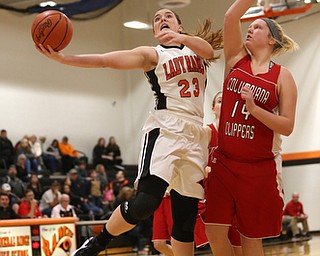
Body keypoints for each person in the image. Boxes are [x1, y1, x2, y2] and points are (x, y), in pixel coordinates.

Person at [37, 7, 223, 256]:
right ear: (156, 32)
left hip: (195, 135)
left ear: (179, 26)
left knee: (186, 218)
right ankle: (96, 244)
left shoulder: (196, 49)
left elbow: (209, 51)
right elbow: (105, 60)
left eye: (168, 16)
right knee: (145, 203)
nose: (161, 20)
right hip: (166, 129)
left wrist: (183, 39)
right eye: (157, 19)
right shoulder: (151, 54)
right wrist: (65, 59)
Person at [202, 0, 298, 255]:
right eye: (251, 26)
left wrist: (255, 109)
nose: (250, 29)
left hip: (257, 168)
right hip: (224, 161)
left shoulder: (282, 76)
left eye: (257, 27)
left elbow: (287, 126)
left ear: (271, 40)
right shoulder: (236, 58)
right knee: (213, 228)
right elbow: (231, 16)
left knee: (250, 238)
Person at [203, 92, 242, 255]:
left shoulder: (238, 134)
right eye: (220, 101)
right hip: (214, 194)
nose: (224, 104)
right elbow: (200, 165)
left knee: (239, 244)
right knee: (217, 238)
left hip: (237, 194)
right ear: (213, 108)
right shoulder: (207, 131)